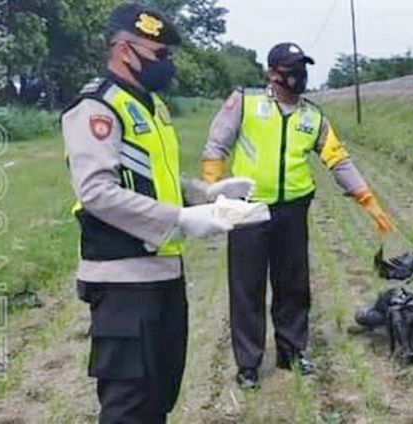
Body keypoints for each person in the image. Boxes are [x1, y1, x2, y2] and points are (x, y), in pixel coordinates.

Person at [61, 4, 256, 423]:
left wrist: (206, 194)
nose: (167, 65)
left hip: (165, 273)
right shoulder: (96, 107)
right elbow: (96, 191)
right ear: (125, 51)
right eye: (160, 54)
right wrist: (180, 220)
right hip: (123, 281)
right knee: (129, 406)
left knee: (160, 397)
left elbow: (153, 179)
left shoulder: (150, 105)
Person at [201, 42, 394, 389]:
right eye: (292, 70)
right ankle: (248, 364)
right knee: (247, 288)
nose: (299, 76)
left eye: (303, 69)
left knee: (293, 284)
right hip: (248, 207)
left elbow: (338, 160)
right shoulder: (245, 103)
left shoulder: (313, 116)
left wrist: (367, 198)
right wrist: (213, 189)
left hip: (293, 209)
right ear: (273, 74)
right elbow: (216, 145)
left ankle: (292, 351)